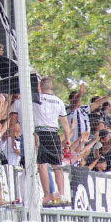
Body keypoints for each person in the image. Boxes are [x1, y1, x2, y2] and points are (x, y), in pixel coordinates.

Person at [33, 77, 71, 205]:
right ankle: (61, 194)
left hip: (38, 132)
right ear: (52, 87)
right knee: (57, 165)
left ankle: (47, 195)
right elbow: (65, 124)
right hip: (52, 133)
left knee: (42, 164)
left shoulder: (36, 98)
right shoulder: (59, 101)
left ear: (40, 87)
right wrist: (67, 139)